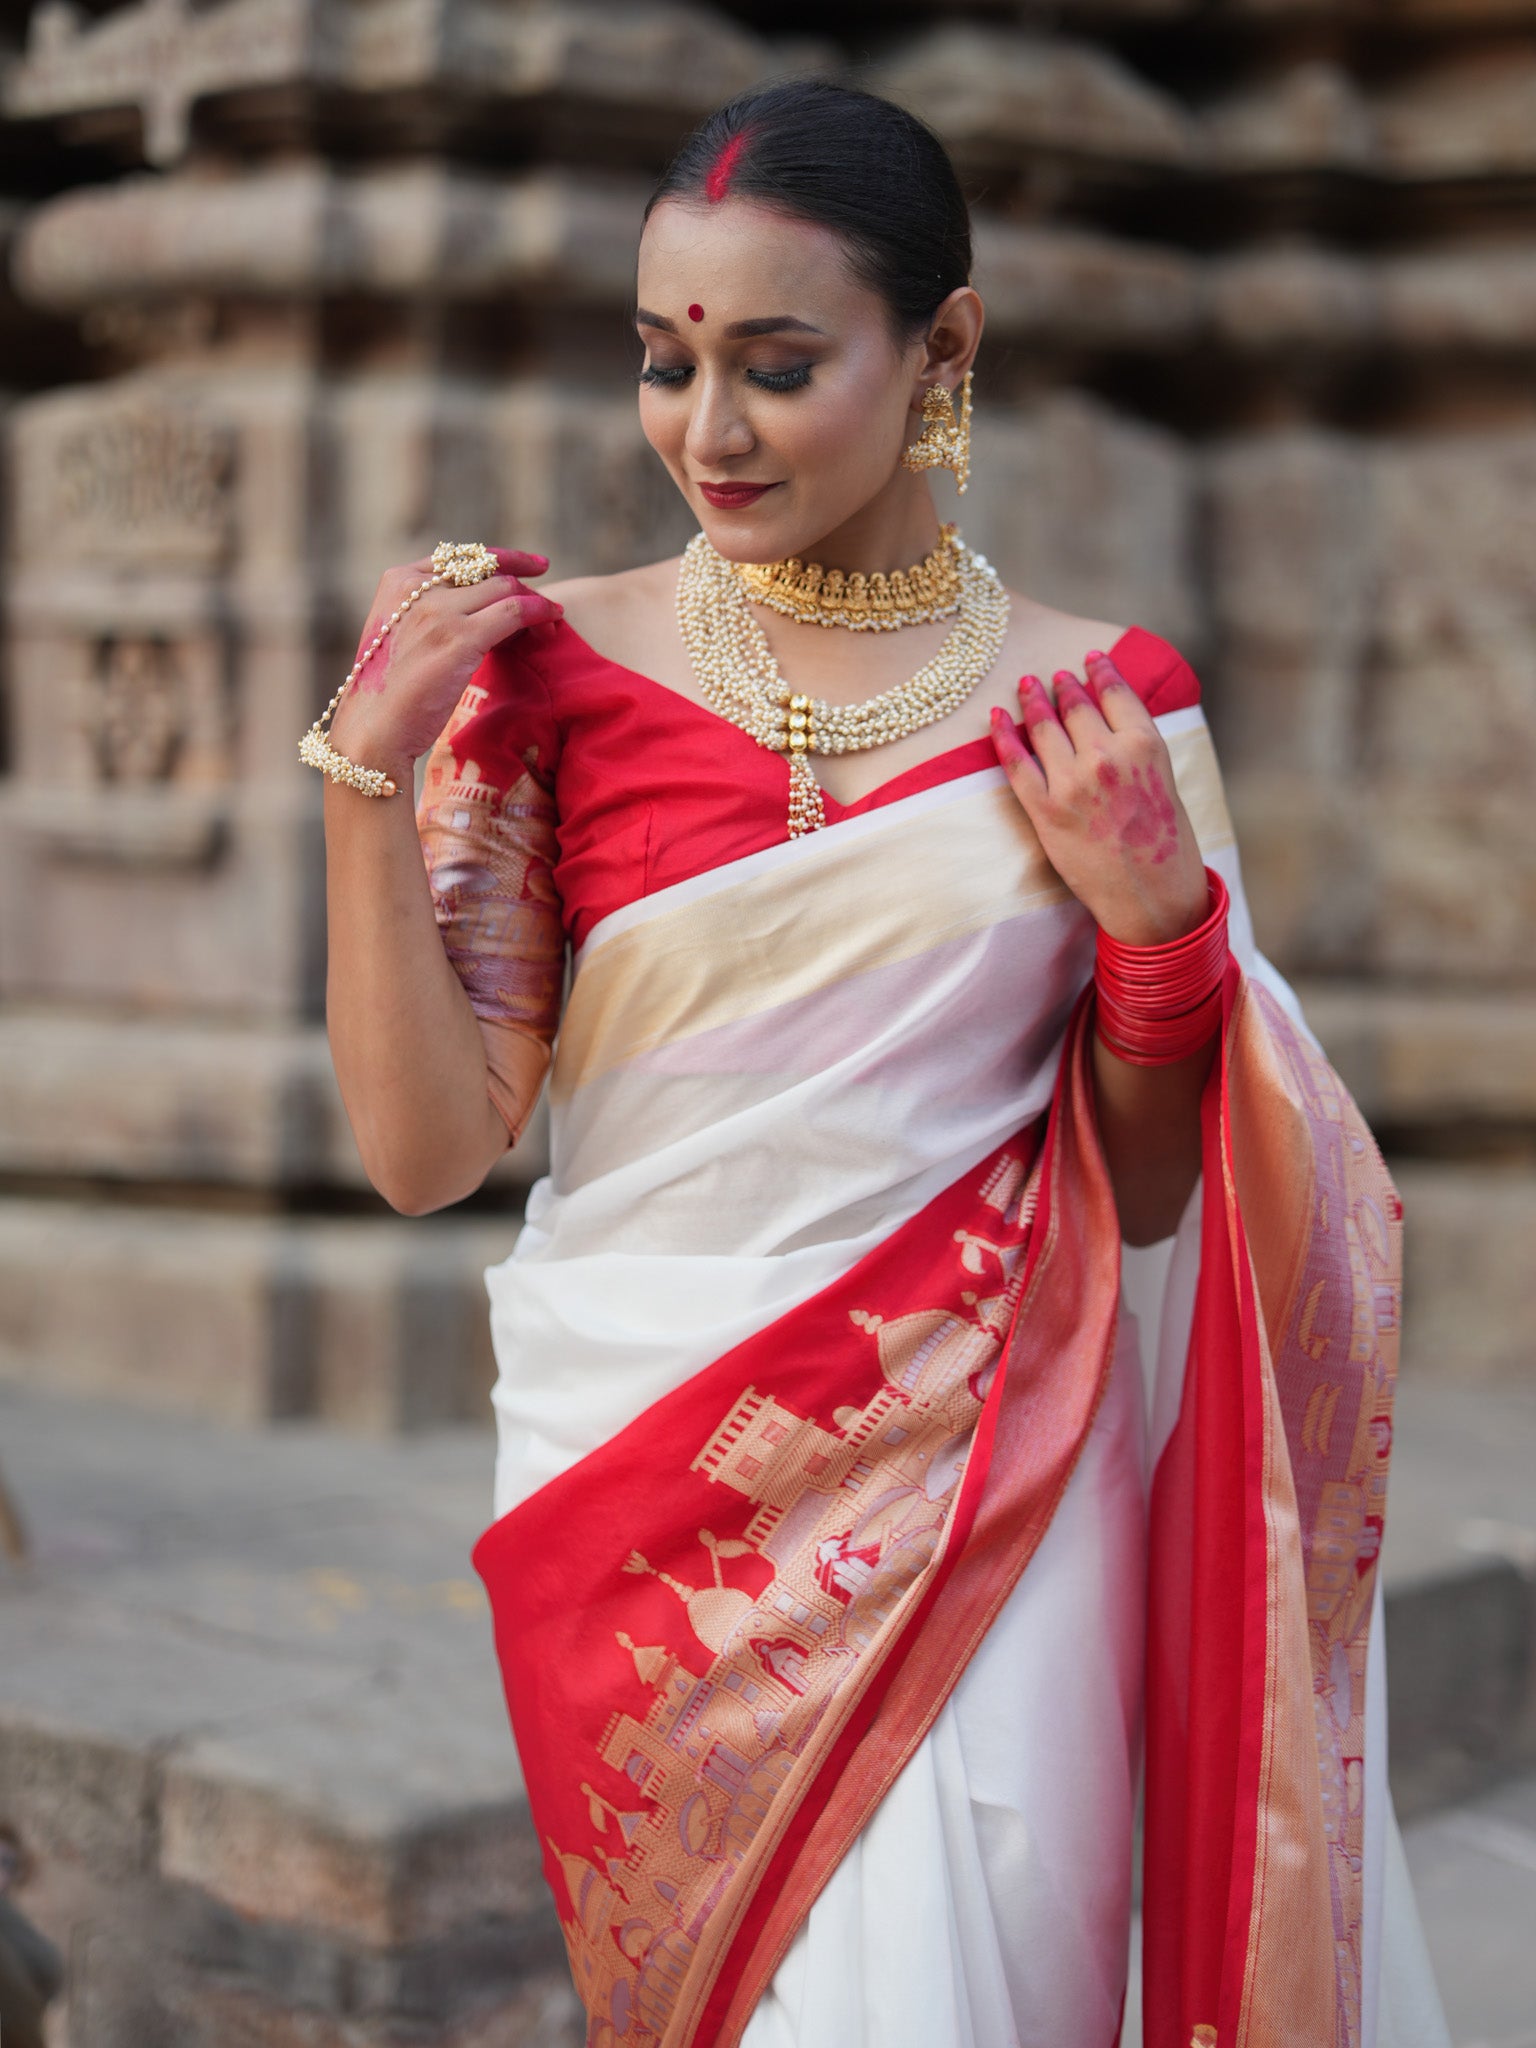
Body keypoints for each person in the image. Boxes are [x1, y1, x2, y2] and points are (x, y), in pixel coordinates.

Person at [314, 78, 1451, 2048]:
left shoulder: (1108, 711)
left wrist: (1156, 926)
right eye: (666, 365)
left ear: (948, 348)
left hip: (989, 1469)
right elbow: (427, 1155)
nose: (708, 430)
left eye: (776, 363)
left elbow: (1163, 1189)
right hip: (648, 1465)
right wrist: (361, 781)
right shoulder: (549, 677)